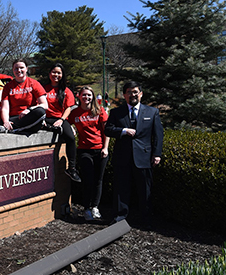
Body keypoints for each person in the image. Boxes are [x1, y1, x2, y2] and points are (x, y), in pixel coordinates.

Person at [105, 81, 164, 223]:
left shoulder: (152, 112)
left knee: (145, 190)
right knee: (121, 189)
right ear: (124, 95)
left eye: (135, 92)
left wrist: (157, 154)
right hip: (122, 157)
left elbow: (158, 135)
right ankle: (120, 218)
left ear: (141, 94)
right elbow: (107, 130)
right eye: (129, 92)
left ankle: (146, 219)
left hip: (144, 157)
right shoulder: (116, 112)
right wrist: (123, 131)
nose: (133, 95)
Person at [68, 86, 110, 220]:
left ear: (93, 97)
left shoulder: (99, 111)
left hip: (100, 149)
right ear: (79, 96)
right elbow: (65, 123)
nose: (87, 97)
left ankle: (95, 207)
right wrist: (70, 128)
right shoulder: (75, 113)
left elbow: (106, 131)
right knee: (88, 179)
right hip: (84, 150)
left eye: (89, 95)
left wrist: (105, 148)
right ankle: (86, 208)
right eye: (84, 95)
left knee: (98, 180)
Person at [43, 63, 81, 182]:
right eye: (54, 72)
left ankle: (72, 168)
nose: (56, 75)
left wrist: (62, 120)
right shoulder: (43, 88)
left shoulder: (66, 91)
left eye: (59, 73)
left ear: (62, 75)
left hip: (59, 118)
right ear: (49, 74)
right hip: (45, 118)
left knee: (70, 137)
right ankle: (50, 128)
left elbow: (68, 108)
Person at [1, 59, 48, 133]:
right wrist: (6, 122)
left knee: (40, 111)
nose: (19, 70)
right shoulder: (8, 87)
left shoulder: (34, 83)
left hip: (30, 116)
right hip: (15, 118)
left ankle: (13, 129)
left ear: (26, 69)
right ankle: (14, 128)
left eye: (21, 68)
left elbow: (45, 105)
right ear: (13, 70)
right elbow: (5, 108)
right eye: (16, 68)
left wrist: (29, 110)